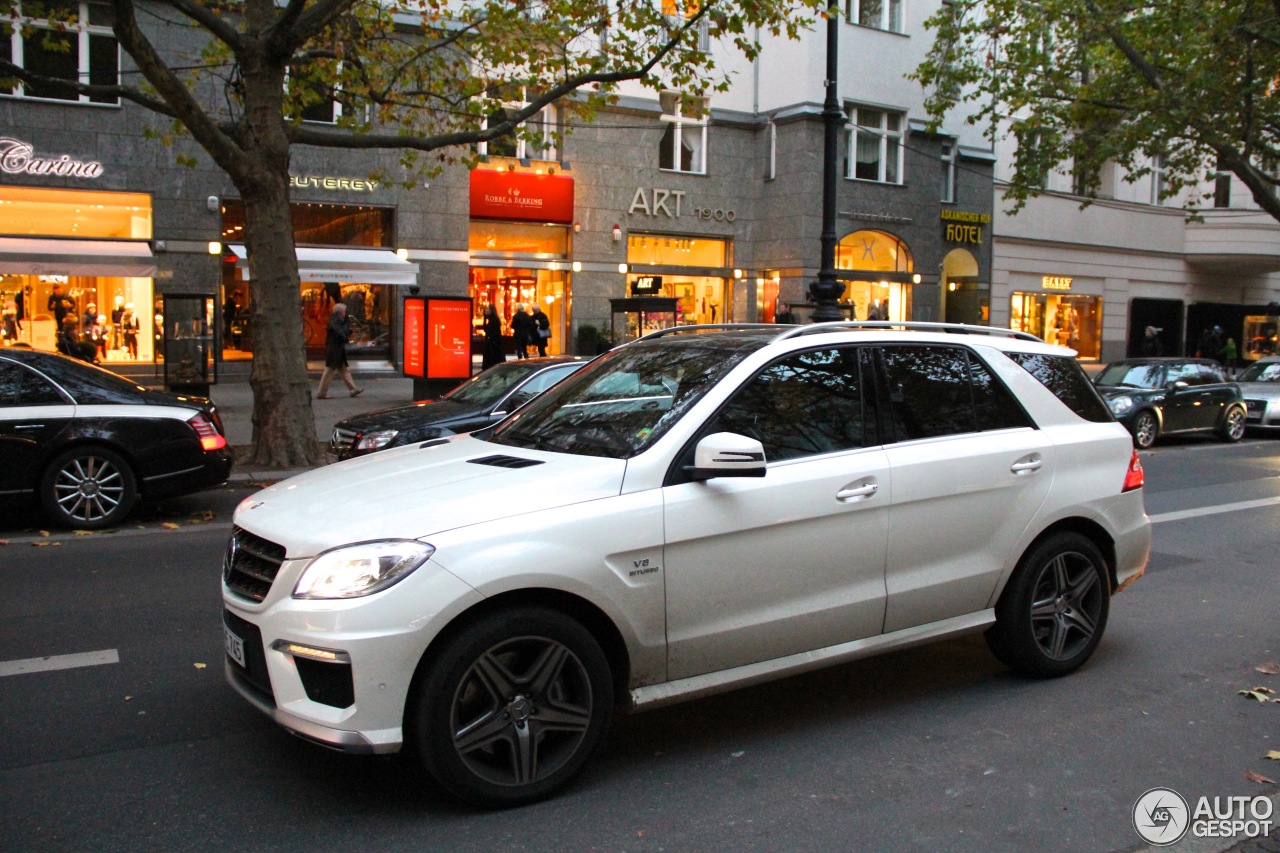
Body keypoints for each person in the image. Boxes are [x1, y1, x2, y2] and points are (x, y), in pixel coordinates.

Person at [315, 302, 363, 399]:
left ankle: (353, 389)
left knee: (344, 370)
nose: (345, 313)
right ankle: (321, 393)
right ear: (341, 311)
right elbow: (339, 333)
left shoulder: (336, 320)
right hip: (335, 350)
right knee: (329, 371)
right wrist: (346, 334)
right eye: (344, 311)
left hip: (336, 349)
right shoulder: (336, 321)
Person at [481, 303, 504, 369]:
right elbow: (485, 328)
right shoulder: (490, 319)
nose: (486, 310)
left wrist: (489, 338)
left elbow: (491, 331)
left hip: (493, 344)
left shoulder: (494, 319)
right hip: (491, 343)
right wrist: (485, 319)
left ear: (491, 310)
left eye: (487, 309)